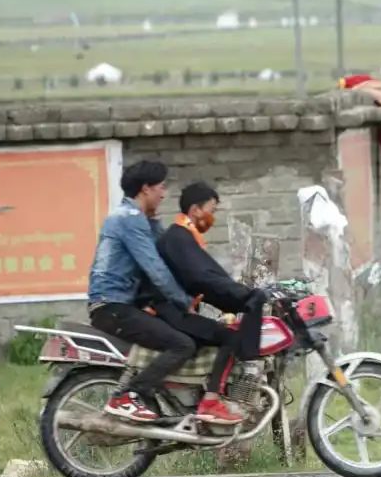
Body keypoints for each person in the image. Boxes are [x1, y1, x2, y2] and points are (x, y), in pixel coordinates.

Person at [146, 182, 268, 421]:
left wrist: (236, 298)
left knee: (221, 331)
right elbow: (202, 277)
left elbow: (206, 281)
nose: (213, 217)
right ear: (195, 210)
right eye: (211, 210)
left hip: (174, 309)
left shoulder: (183, 237)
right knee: (230, 337)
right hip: (169, 311)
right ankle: (211, 400)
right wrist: (244, 296)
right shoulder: (178, 238)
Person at [87, 160, 197, 423]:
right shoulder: (129, 219)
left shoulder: (136, 219)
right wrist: (184, 301)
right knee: (182, 344)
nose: (164, 193)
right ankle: (128, 395)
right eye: (161, 187)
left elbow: (166, 252)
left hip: (118, 305)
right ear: (146, 188)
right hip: (113, 307)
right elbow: (156, 269)